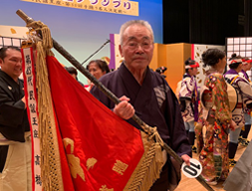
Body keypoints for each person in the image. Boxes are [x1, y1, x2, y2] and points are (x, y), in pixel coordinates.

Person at [91, 20, 191, 191]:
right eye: (132, 44)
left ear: (152, 48)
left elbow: (175, 122)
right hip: (120, 169)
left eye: (146, 43)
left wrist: (182, 151)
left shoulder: (161, 84)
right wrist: (113, 116)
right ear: (121, 49)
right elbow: (88, 127)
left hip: (158, 167)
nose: (140, 49)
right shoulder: (104, 85)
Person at [195, 48, 237, 185]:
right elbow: (220, 101)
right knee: (217, 146)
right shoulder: (217, 77)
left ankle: (216, 174)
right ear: (219, 60)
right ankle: (212, 175)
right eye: (224, 59)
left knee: (211, 144)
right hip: (217, 119)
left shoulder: (209, 76)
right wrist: (229, 120)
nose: (226, 61)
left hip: (209, 117)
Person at [0, 46, 31, 191]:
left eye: (21, 60)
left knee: (28, 183)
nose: (18, 64)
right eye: (13, 60)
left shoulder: (24, 84)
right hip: (7, 145)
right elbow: (9, 115)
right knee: (9, 184)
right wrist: (29, 96)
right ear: (0, 61)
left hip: (27, 142)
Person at [224, 53, 252, 167]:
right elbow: (248, 95)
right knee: (234, 137)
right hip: (236, 110)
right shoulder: (239, 79)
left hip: (223, 111)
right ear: (240, 65)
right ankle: (230, 159)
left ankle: (223, 158)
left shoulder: (222, 77)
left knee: (224, 136)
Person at [179, 58, 199, 154]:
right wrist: (187, 106)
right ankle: (190, 146)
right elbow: (184, 94)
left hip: (186, 105)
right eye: (195, 68)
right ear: (190, 69)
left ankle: (187, 144)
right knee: (191, 126)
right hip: (187, 105)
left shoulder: (187, 78)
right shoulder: (188, 80)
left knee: (187, 126)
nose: (197, 70)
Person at [238, 57, 252, 146]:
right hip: (244, 102)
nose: (251, 66)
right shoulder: (241, 75)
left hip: (245, 101)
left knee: (245, 120)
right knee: (247, 121)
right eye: (250, 64)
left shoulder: (244, 74)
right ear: (245, 64)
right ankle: (243, 137)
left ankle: (242, 137)